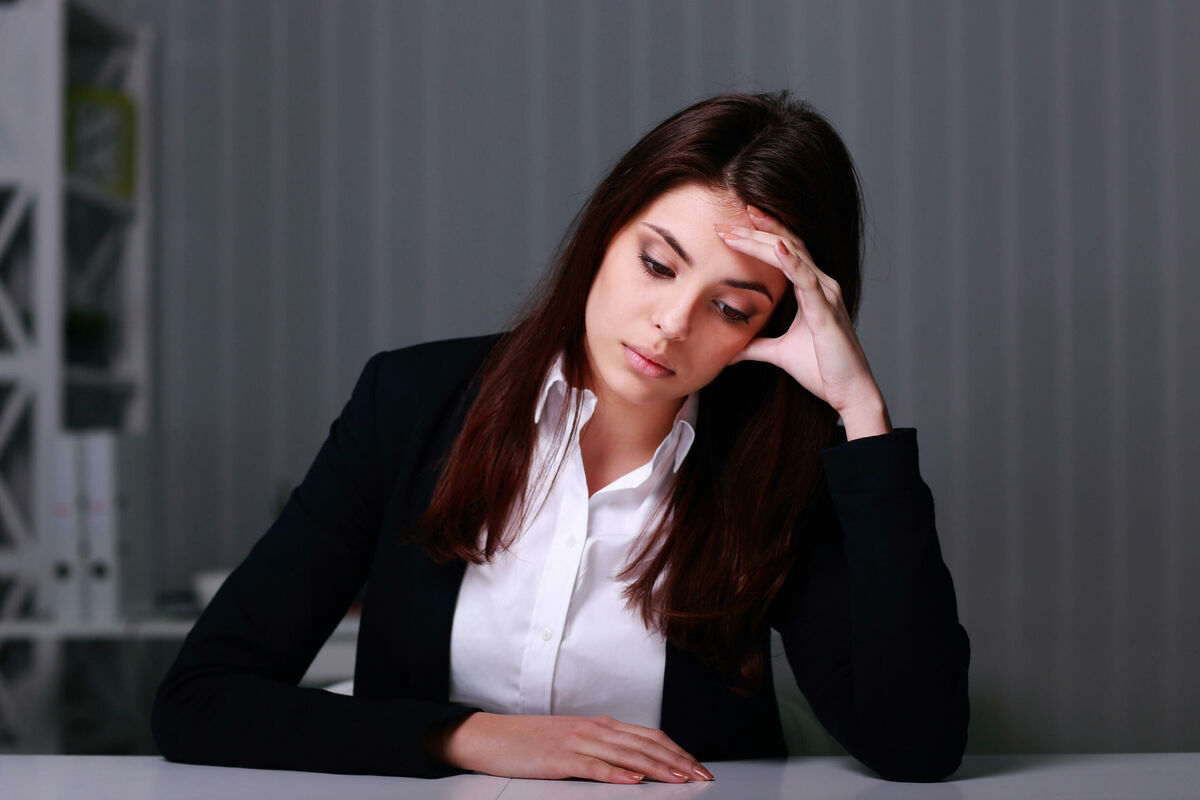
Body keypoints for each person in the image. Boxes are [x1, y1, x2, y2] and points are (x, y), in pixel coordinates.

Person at [152, 91, 970, 785]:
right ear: (606, 233)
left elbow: (917, 746)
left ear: (774, 326)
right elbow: (200, 698)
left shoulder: (772, 474)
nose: (672, 323)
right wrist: (466, 737)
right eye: (658, 264)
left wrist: (860, 410)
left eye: (731, 308)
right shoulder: (409, 404)